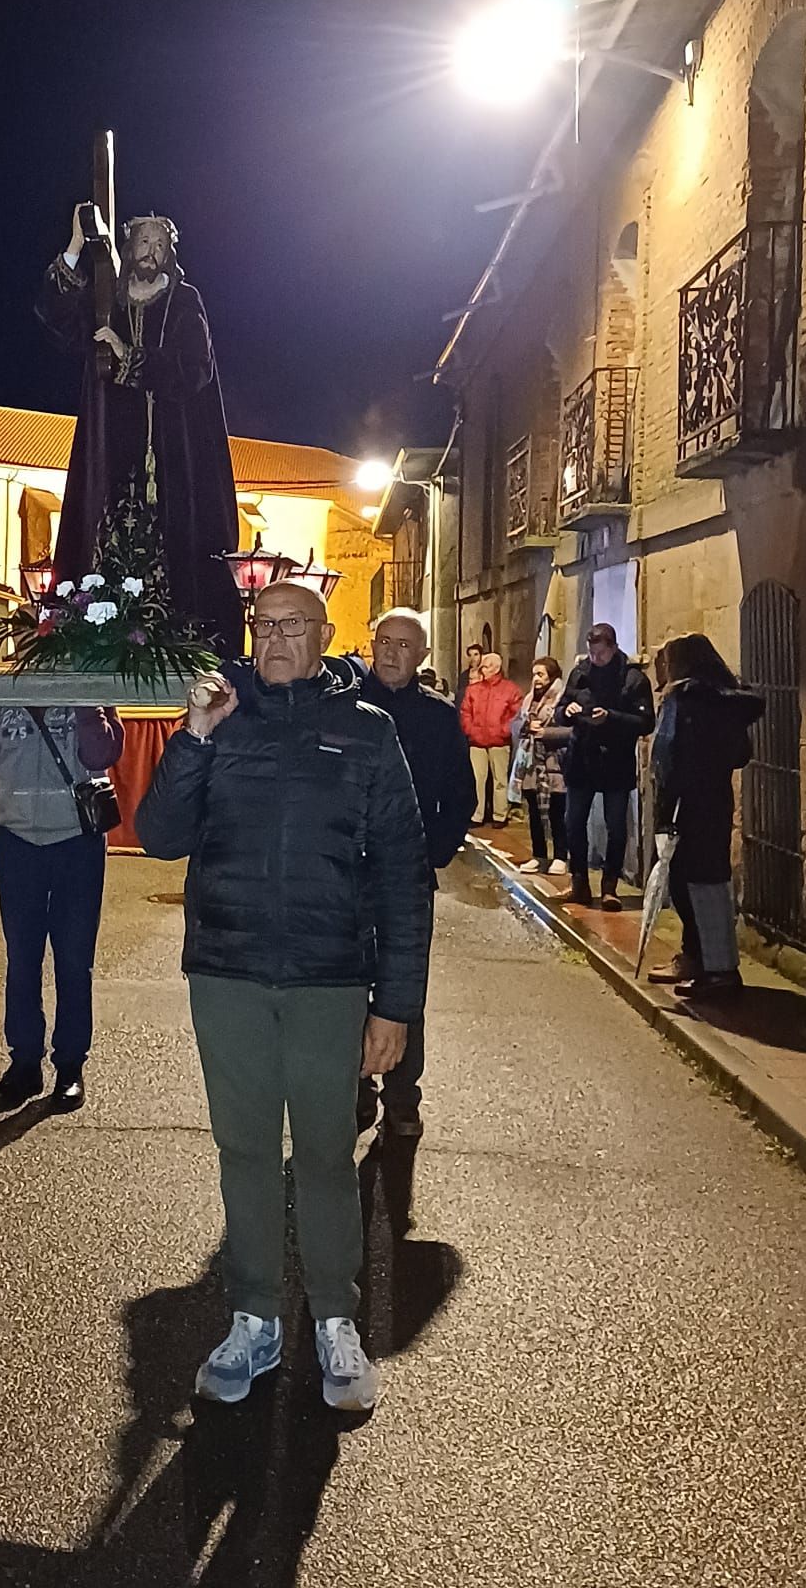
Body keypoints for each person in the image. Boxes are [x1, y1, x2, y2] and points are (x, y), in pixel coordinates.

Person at [136, 580, 431, 1412]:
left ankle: (337, 1318)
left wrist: (395, 1005)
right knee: (245, 1152)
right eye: (264, 625)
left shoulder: (367, 733)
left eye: (292, 625)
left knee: (329, 1156)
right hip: (227, 972)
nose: (274, 639)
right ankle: (254, 1313)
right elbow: (158, 837)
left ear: (326, 635)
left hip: (329, 977)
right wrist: (193, 739)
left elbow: (405, 879)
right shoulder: (221, 717)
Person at [37, 207, 244, 655]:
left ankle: (176, 638)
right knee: (100, 529)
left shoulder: (184, 301)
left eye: (160, 245)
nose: (150, 253)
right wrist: (76, 246)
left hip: (171, 453)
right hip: (109, 449)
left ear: (170, 254)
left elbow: (194, 369)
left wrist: (128, 354)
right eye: (143, 243)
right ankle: (90, 632)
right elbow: (58, 319)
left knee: (177, 542)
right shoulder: (107, 300)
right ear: (128, 249)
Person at [0, 700, 124, 1112]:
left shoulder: (88, 689)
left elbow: (103, 753)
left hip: (77, 842)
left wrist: (86, 703)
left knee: (74, 958)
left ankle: (70, 1066)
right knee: (22, 959)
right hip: (18, 843)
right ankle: (24, 1063)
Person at [357, 609, 475, 1142]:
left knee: (404, 987)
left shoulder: (438, 717)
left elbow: (460, 795)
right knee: (348, 983)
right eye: (383, 641)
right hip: (347, 872)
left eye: (404, 645)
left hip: (406, 874)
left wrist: (435, 852)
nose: (390, 653)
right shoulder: (344, 706)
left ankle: (403, 1097)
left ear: (422, 656)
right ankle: (353, 1089)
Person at [649, 633, 764, 999]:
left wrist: (668, 797)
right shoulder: (724, 701)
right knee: (707, 882)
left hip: (685, 803)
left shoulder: (684, 700)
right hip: (714, 799)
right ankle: (705, 961)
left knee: (690, 882)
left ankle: (716, 971)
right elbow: (740, 754)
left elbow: (666, 756)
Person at [556, 623, 655, 910]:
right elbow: (561, 710)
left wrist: (611, 717)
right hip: (582, 759)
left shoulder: (633, 679)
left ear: (613, 648)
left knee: (616, 827)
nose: (595, 659)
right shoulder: (581, 673)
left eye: (600, 653)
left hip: (616, 759)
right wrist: (568, 712)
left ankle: (610, 886)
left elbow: (646, 722)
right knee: (574, 823)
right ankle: (579, 883)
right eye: (591, 653)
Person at [515, 656, 571, 876]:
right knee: (535, 815)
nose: (536, 679)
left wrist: (546, 732)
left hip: (554, 765)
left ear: (552, 676)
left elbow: (571, 731)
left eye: (541, 674)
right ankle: (538, 855)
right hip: (531, 765)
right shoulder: (529, 699)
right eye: (534, 674)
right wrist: (526, 726)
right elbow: (515, 723)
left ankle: (560, 856)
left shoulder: (562, 699)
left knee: (557, 813)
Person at [459, 652, 524, 827]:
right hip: (477, 741)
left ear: (496, 668)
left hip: (499, 742)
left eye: (486, 666)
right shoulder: (473, 690)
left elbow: (515, 714)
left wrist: (503, 731)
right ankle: (477, 814)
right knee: (477, 779)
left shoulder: (510, 690)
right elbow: (465, 712)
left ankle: (499, 815)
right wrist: (471, 730)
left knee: (500, 780)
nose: (482, 670)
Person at [454, 642, 483, 709]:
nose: (473, 658)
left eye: (476, 654)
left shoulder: (487, 674)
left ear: (481, 655)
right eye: (470, 655)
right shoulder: (464, 676)